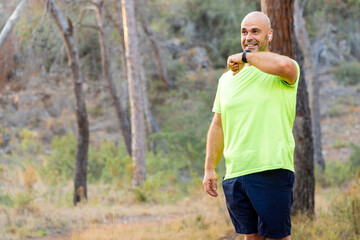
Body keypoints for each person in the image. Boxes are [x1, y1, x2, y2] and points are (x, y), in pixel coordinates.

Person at [202, 11, 300, 240]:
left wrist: (244, 57)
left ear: (270, 35)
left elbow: (286, 66)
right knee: (250, 238)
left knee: (277, 237)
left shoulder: (281, 71)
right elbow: (218, 125)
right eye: (244, 32)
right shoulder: (226, 80)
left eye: (256, 31)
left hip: (271, 168)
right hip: (236, 173)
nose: (249, 37)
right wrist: (209, 168)